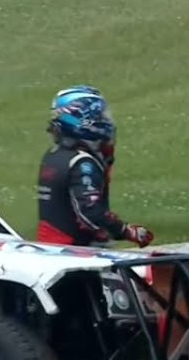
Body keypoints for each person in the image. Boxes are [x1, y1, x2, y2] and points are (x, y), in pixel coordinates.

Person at [37, 85, 154, 248]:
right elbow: (90, 212)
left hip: (51, 249)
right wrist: (127, 231)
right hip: (77, 254)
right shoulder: (82, 163)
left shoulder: (53, 156)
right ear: (84, 120)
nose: (105, 121)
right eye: (100, 115)